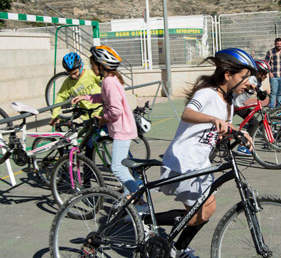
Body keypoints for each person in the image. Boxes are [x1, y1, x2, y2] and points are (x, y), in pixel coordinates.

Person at [150, 48, 257, 258]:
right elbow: (188, 113)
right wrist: (211, 119)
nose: (247, 82)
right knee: (196, 213)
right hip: (183, 160)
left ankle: (176, 248)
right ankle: (148, 221)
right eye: (244, 77)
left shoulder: (228, 102)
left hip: (200, 162)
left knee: (207, 210)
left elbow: (217, 130)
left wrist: (237, 132)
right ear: (228, 75)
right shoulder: (206, 93)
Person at [71, 46, 144, 202]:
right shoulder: (110, 80)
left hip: (122, 130)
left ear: (102, 65)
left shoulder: (109, 82)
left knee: (117, 168)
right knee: (122, 167)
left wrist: (104, 118)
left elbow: (115, 110)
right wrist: (86, 97)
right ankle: (130, 200)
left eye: (93, 65)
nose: (91, 67)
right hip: (123, 128)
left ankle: (140, 201)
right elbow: (104, 98)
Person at [49, 51, 102, 159]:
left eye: (75, 72)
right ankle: (88, 174)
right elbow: (60, 97)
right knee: (89, 147)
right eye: (70, 74)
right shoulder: (68, 82)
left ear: (81, 66)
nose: (73, 76)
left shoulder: (91, 74)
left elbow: (105, 81)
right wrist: (55, 115)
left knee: (111, 137)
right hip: (88, 116)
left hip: (100, 111)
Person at [233, 60, 270, 156]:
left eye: (266, 74)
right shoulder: (251, 77)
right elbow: (247, 83)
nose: (265, 76)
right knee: (224, 125)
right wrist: (252, 87)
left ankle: (243, 147)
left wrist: (264, 93)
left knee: (254, 123)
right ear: (258, 71)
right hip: (231, 104)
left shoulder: (258, 81)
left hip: (239, 105)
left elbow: (260, 91)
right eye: (264, 73)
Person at [265, 37, 281, 108]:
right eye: (277, 44)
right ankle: (271, 107)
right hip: (274, 76)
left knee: (280, 93)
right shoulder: (270, 52)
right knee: (273, 92)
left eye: (280, 44)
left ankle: (278, 107)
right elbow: (266, 63)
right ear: (275, 44)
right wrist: (269, 73)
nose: (279, 45)